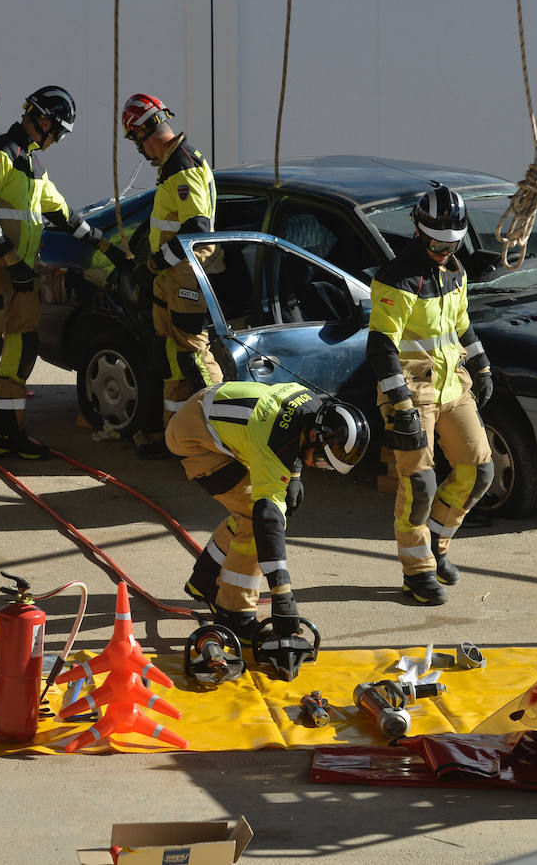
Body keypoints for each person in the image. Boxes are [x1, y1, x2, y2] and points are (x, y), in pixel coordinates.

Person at [0, 85, 127, 469]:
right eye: (58, 131)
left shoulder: (33, 165)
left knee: (22, 350)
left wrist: (107, 247)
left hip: (21, 275)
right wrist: (10, 259)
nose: (57, 140)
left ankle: (8, 434)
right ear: (43, 121)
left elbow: (64, 215)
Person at [367, 184, 495, 605]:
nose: (444, 252)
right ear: (419, 232)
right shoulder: (397, 278)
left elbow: (461, 324)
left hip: (452, 385)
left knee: (479, 470)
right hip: (412, 390)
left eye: (452, 245)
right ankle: (417, 571)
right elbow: (382, 345)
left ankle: (437, 542)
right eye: (438, 244)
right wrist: (399, 402)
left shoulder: (454, 271)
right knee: (419, 484)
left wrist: (481, 365)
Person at [165, 380, 370, 640]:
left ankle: (205, 579)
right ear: (313, 437)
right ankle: (233, 614)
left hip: (212, 416)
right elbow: (268, 519)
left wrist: (294, 475)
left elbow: (292, 433)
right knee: (254, 518)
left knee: (248, 512)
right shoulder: (273, 441)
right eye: (320, 459)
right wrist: (282, 592)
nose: (318, 467)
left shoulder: (312, 406)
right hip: (192, 439)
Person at [121, 93, 224, 459]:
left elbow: (197, 227)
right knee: (172, 356)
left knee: (194, 354)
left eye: (137, 143)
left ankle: (225, 434)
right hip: (173, 277)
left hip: (186, 276)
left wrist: (157, 263)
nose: (141, 152)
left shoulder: (183, 166)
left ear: (146, 134)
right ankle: (176, 438)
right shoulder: (172, 165)